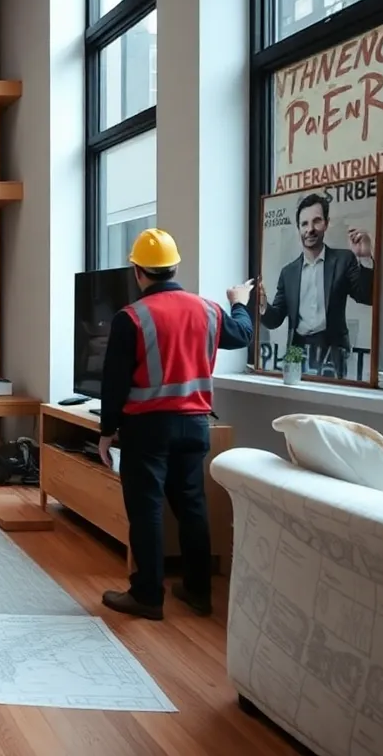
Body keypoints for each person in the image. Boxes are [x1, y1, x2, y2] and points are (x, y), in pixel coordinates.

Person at [96, 228, 255, 621]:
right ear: (175, 266)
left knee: (147, 509)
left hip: (147, 429)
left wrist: (105, 430)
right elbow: (243, 334)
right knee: (192, 506)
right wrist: (239, 302)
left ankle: (148, 596)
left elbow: (114, 382)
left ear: (138, 271)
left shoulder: (130, 318)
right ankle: (199, 592)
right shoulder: (207, 310)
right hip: (195, 426)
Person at [257, 192, 374, 378]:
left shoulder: (344, 260)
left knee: (334, 402)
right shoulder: (288, 273)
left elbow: (367, 296)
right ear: (299, 229)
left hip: (333, 350)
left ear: (326, 223)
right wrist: (262, 305)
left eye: (316, 221)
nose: (310, 229)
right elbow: (275, 319)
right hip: (297, 350)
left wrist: (365, 258)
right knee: (296, 399)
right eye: (304, 224)